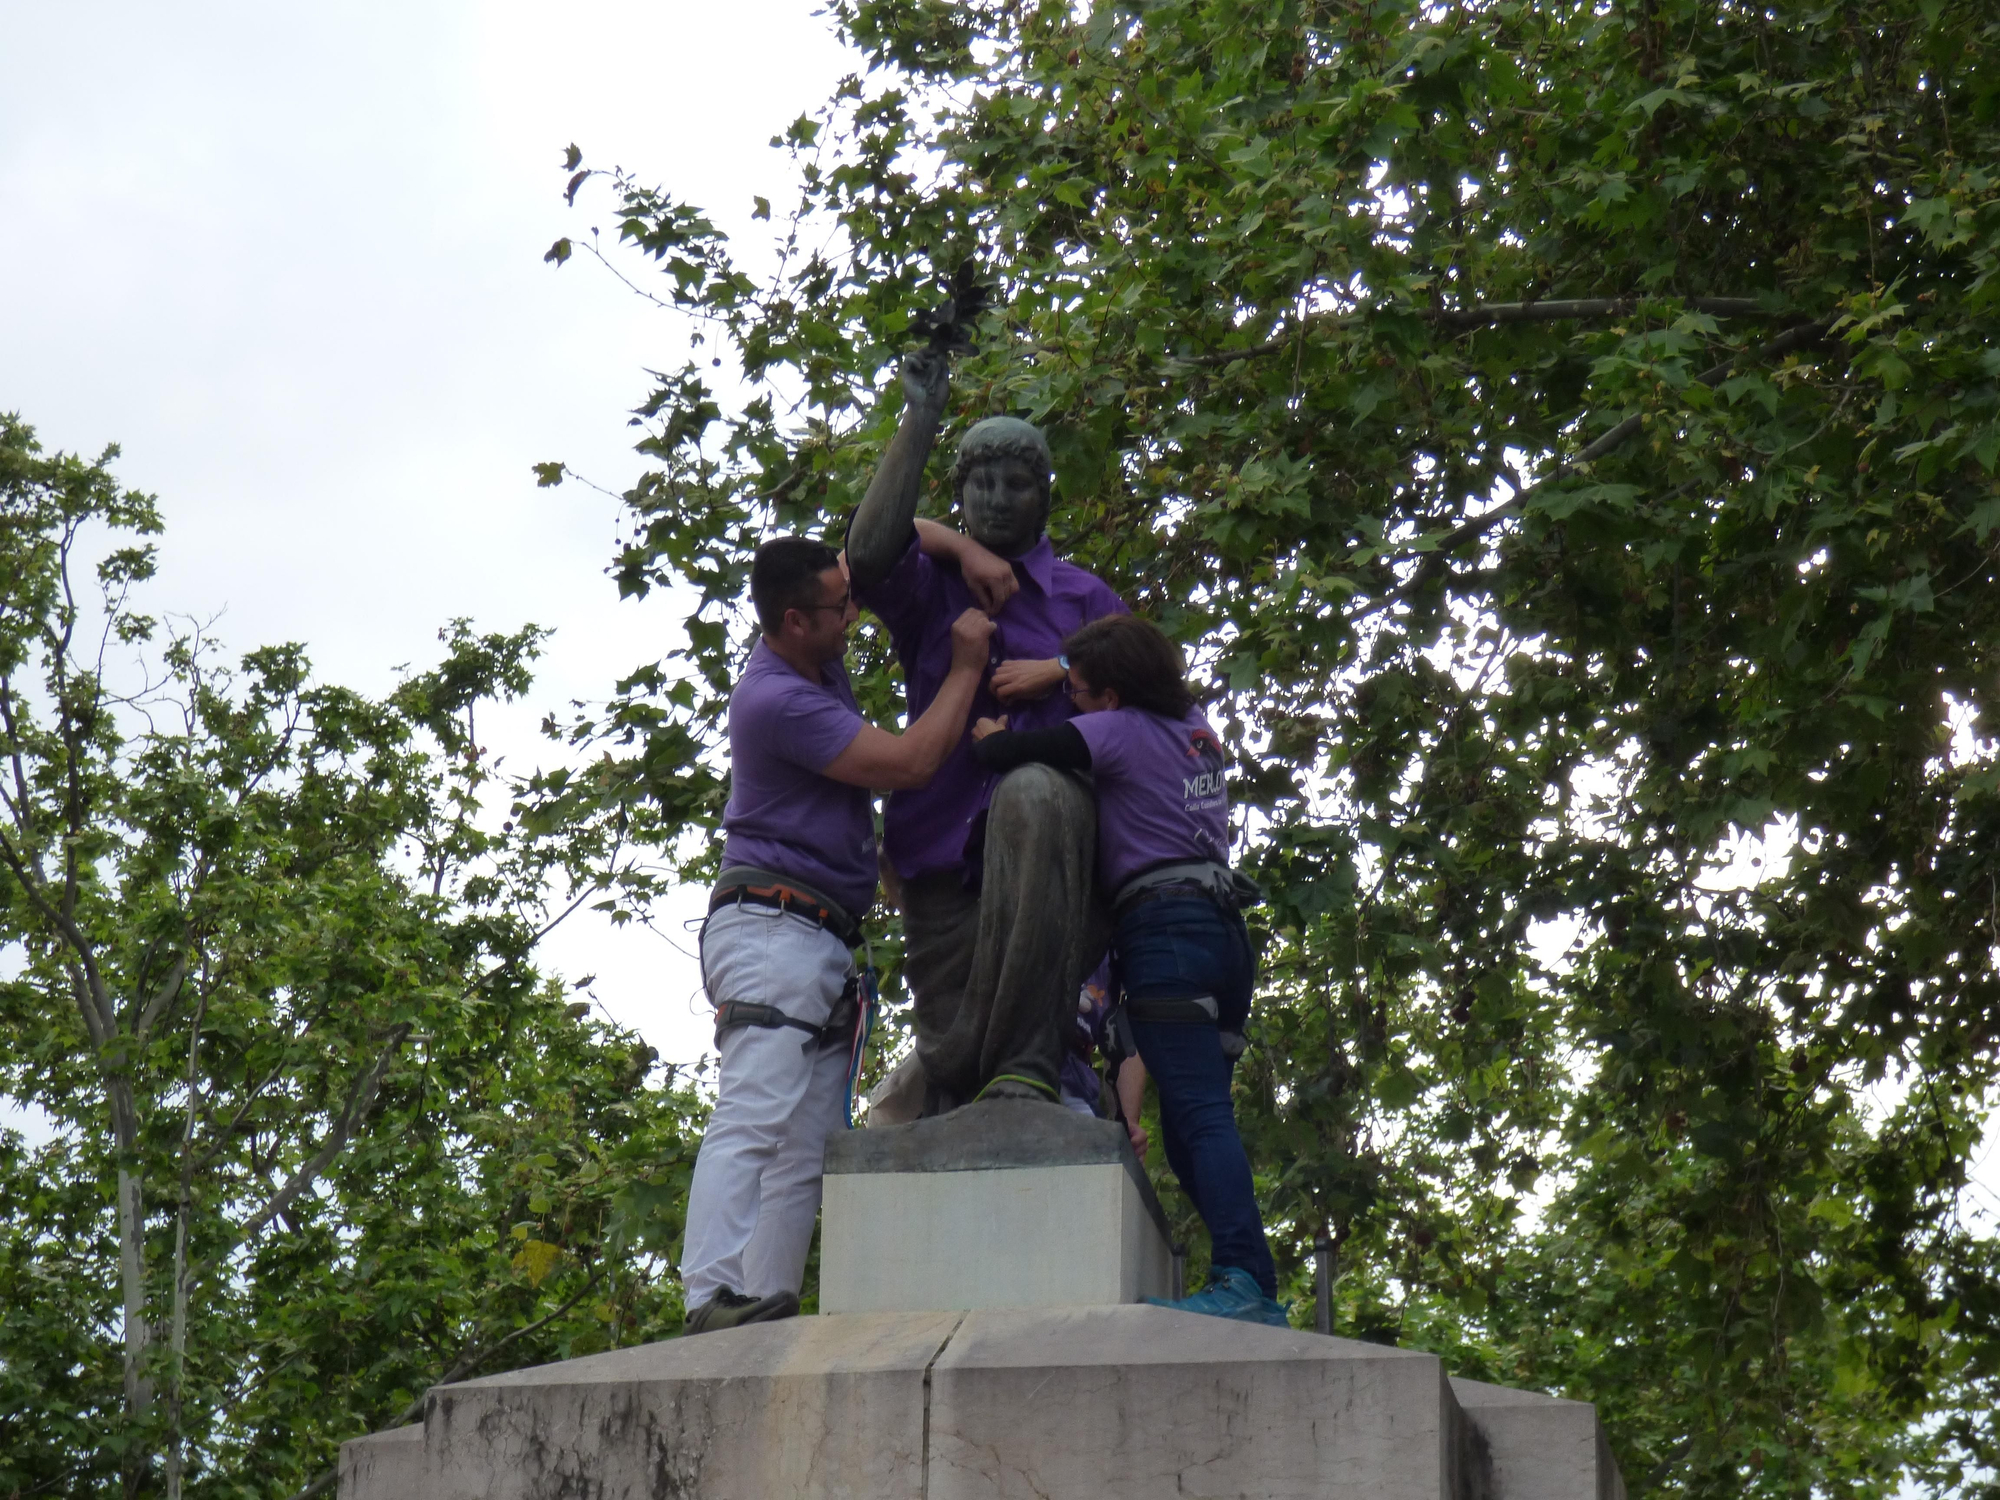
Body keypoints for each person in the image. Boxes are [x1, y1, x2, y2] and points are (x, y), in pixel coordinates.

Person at [680, 536, 994, 1335]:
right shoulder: (780, 700)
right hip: (774, 928)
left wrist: (968, 551)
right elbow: (912, 761)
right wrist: (963, 667)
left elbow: (883, 534)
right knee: (756, 1112)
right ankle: (709, 1295)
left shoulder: (814, 657)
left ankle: (765, 1302)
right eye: (837, 610)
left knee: (807, 1146)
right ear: (792, 621)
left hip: (818, 934)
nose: (851, 617)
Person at [970, 614, 1286, 1327]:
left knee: (1201, 1116)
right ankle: (1251, 1277)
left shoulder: (1112, 730)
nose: (1070, 700)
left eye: (1078, 692)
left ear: (1110, 697)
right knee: (1192, 1123)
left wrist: (992, 737)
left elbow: (1015, 756)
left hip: (1164, 930)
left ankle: (1246, 1282)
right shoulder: (1198, 728)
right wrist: (1062, 666)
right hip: (1225, 936)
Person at [845, 350, 1128, 1111]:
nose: (998, 499)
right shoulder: (930, 583)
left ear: (1044, 495)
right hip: (939, 850)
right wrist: (921, 418)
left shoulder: (1085, 596)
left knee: (1033, 792)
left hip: (1059, 857)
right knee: (954, 1060)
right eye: (981, 482)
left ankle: (1032, 1072)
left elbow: (1150, 701)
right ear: (960, 492)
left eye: (1016, 484)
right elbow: (865, 553)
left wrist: (1063, 669)